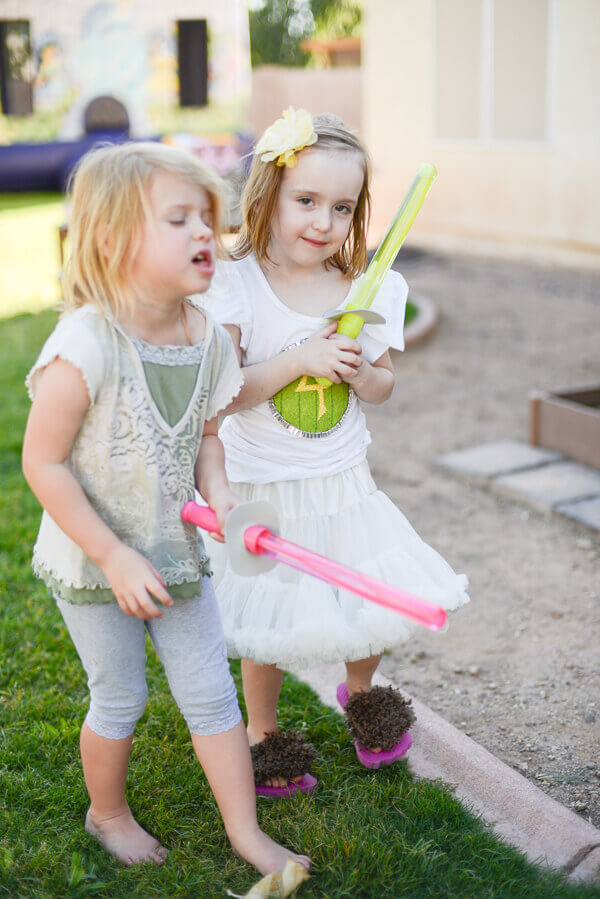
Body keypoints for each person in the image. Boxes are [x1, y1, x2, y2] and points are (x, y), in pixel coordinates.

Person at [21, 142, 310, 873]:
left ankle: (247, 833)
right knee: (119, 697)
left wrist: (222, 498)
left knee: (212, 691)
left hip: (175, 551)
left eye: (207, 218)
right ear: (114, 241)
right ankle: (107, 811)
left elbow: (209, 437)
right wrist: (113, 554)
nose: (205, 233)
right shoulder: (85, 343)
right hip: (95, 558)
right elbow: (42, 462)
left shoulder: (208, 340)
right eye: (179, 219)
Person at [200, 108, 470, 798]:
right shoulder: (240, 284)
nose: (323, 221)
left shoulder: (363, 289)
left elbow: (382, 386)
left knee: (364, 597)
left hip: (341, 481)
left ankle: (363, 698)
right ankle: (265, 734)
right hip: (262, 485)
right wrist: (301, 357)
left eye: (342, 207)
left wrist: (357, 371)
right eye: (307, 201)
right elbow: (223, 395)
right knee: (267, 621)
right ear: (269, 196)